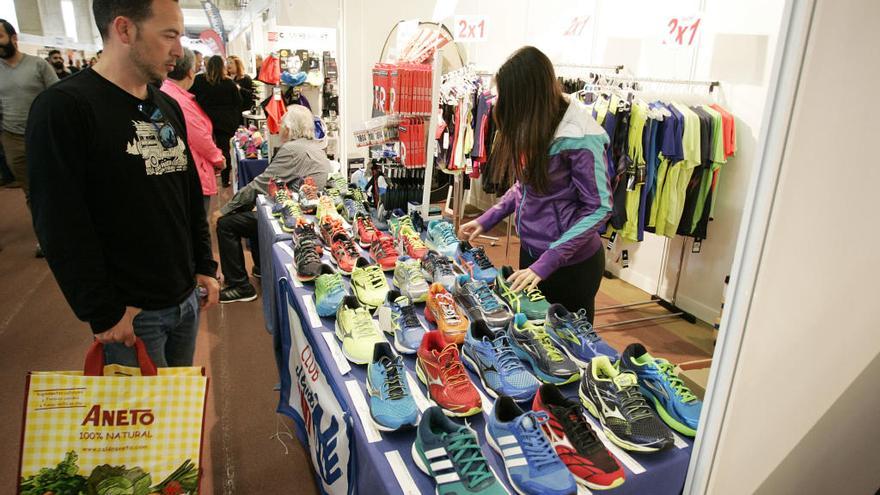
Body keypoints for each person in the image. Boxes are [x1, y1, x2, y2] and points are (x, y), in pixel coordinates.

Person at [26, 0, 220, 368]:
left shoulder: (165, 105)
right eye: (169, 35)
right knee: (142, 424)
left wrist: (204, 266)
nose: (179, 51)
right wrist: (102, 312)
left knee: (176, 419)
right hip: (130, 316)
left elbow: (189, 194)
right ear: (125, 30)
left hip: (184, 300)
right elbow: (59, 222)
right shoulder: (65, 108)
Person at [459, 46, 613, 323]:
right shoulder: (537, 123)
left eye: (506, 97)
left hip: (570, 265)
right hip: (533, 254)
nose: (501, 104)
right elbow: (526, 186)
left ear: (527, 96)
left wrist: (548, 262)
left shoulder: (580, 137)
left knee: (567, 349)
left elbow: (599, 208)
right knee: (529, 334)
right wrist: (488, 218)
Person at [216, 105, 331, 303]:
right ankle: (261, 267)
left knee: (226, 224)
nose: (279, 131)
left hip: (296, 216)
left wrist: (224, 209)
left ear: (289, 129)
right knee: (254, 213)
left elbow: (260, 184)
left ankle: (239, 286)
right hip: (307, 210)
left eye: (282, 126)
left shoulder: (292, 149)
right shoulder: (315, 145)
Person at [0, 19, 58, 256]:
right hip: (11, 138)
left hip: (41, 136)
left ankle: (62, 228)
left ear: (13, 38)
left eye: (0, 36)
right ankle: (46, 238)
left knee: (52, 186)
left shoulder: (38, 66)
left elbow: (56, 97)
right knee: (30, 191)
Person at [161, 47, 225, 213]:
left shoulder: (168, 94)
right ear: (190, 72)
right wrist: (219, 159)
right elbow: (200, 138)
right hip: (194, 174)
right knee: (198, 226)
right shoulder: (178, 100)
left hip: (185, 172)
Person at [190, 55, 241, 188]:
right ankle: (225, 179)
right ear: (222, 67)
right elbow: (238, 102)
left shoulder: (199, 80)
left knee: (205, 148)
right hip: (225, 121)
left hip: (204, 119)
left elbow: (190, 96)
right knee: (224, 150)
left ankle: (208, 177)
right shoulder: (229, 83)